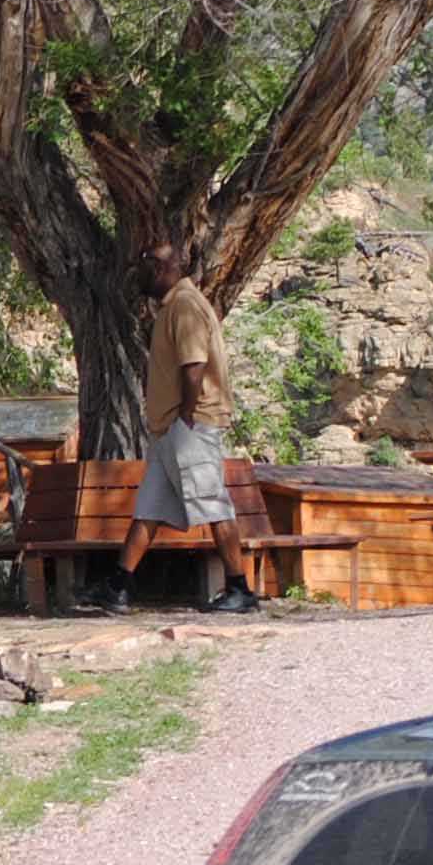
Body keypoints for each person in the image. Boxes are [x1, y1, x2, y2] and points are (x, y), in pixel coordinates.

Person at [99, 243, 259, 615]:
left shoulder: (185, 306)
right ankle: (117, 588)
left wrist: (186, 416)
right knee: (149, 509)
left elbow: (194, 365)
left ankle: (240, 589)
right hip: (170, 430)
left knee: (213, 504)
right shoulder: (173, 306)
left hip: (190, 427)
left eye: (143, 268)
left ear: (159, 269)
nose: (139, 277)